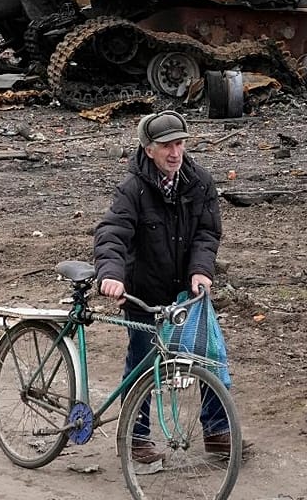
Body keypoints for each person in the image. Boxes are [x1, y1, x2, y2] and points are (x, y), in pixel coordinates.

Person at [93, 110, 232, 464]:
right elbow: (113, 233)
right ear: (148, 149)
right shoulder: (132, 189)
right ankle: (136, 437)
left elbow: (207, 232)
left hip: (187, 291)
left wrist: (201, 270)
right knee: (142, 363)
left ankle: (217, 434)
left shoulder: (199, 181)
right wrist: (111, 274)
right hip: (144, 290)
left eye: (181, 143)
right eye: (167, 145)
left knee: (208, 356)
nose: (175, 153)